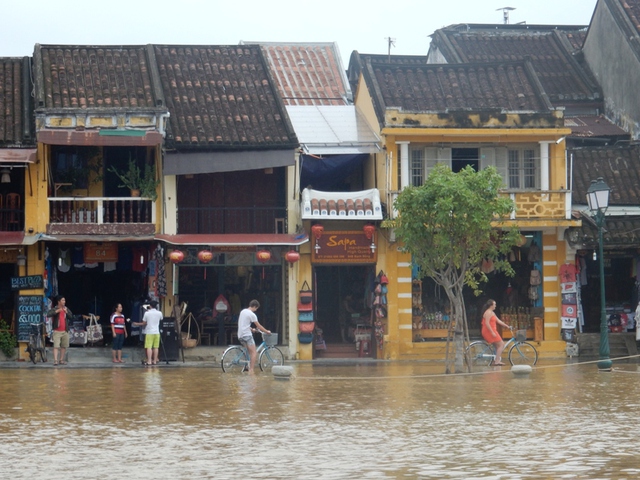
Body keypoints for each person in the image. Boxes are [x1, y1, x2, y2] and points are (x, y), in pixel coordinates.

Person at [237, 299, 270, 374]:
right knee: (254, 352)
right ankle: (251, 370)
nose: (256, 310)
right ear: (255, 307)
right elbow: (259, 326)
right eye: (256, 308)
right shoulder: (252, 314)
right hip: (247, 335)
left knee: (248, 352)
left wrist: (251, 329)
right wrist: (266, 331)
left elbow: (243, 324)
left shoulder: (243, 311)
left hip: (240, 334)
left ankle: (246, 366)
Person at [133, 300, 162, 366]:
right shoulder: (159, 313)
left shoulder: (147, 313)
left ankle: (149, 361)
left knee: (149, 347)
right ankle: (154, 361)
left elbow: (144, 323)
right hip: (157, 332)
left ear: (150, 306)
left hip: (149, 332)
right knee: (156, 347)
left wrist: (137, 324)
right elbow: (161, 319)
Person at [481, 299, 510, 366]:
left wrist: (506, 326)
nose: (495, 306)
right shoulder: (488, 312)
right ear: (491, 305)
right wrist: (492, 332)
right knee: (501, 344)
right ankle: (497, 361)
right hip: (489, 331)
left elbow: (498, 321)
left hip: (492, 331)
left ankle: (496, 360)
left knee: (498, 346)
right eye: (494, 304)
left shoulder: (492, 312)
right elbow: (487, 323)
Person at [47, 295, 73, 366]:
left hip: (65, 331)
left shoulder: (66, 308)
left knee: (64, 346)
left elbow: (71, 316)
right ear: (59, 301)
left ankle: (61, 360)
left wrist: (66, 312)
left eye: (64, 300)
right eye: (62, 300)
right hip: (57, 331)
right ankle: (55, 360)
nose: (64, 302)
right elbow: (48, 314)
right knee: (56, 346)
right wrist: (57, 311)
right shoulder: (55, 308)